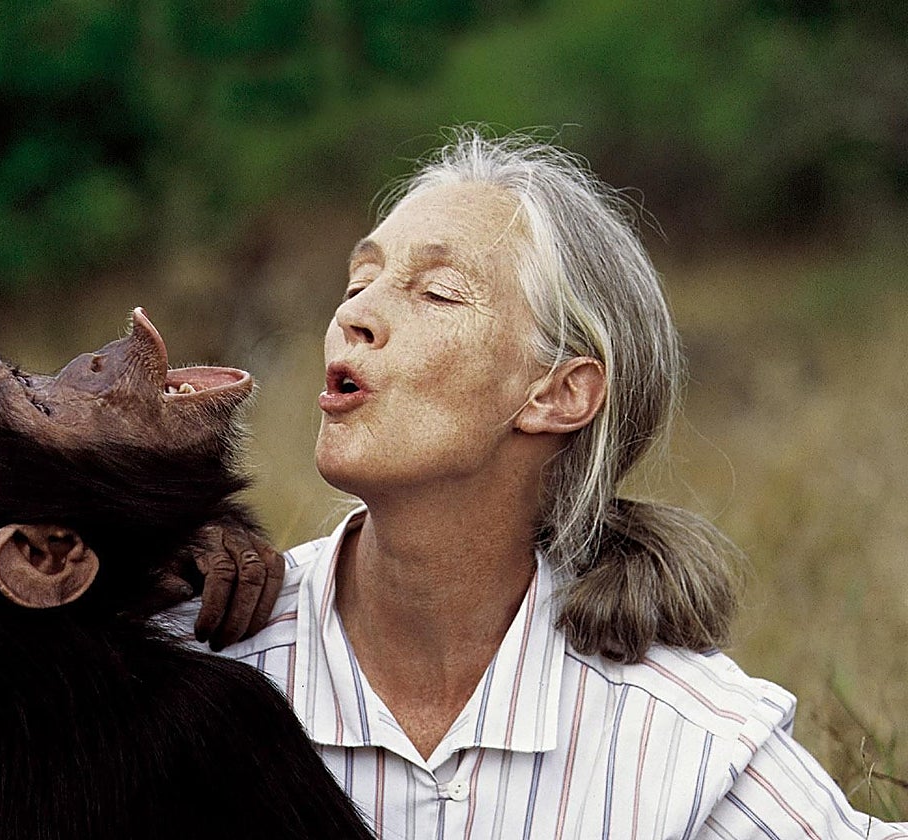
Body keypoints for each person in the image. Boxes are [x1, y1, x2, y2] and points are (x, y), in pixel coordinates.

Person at [171, 129, 908, 838]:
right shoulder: (189, 660)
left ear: (558, 394)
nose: (353, 314)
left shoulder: (692, 746)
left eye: (438, 293)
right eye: (360, 280)